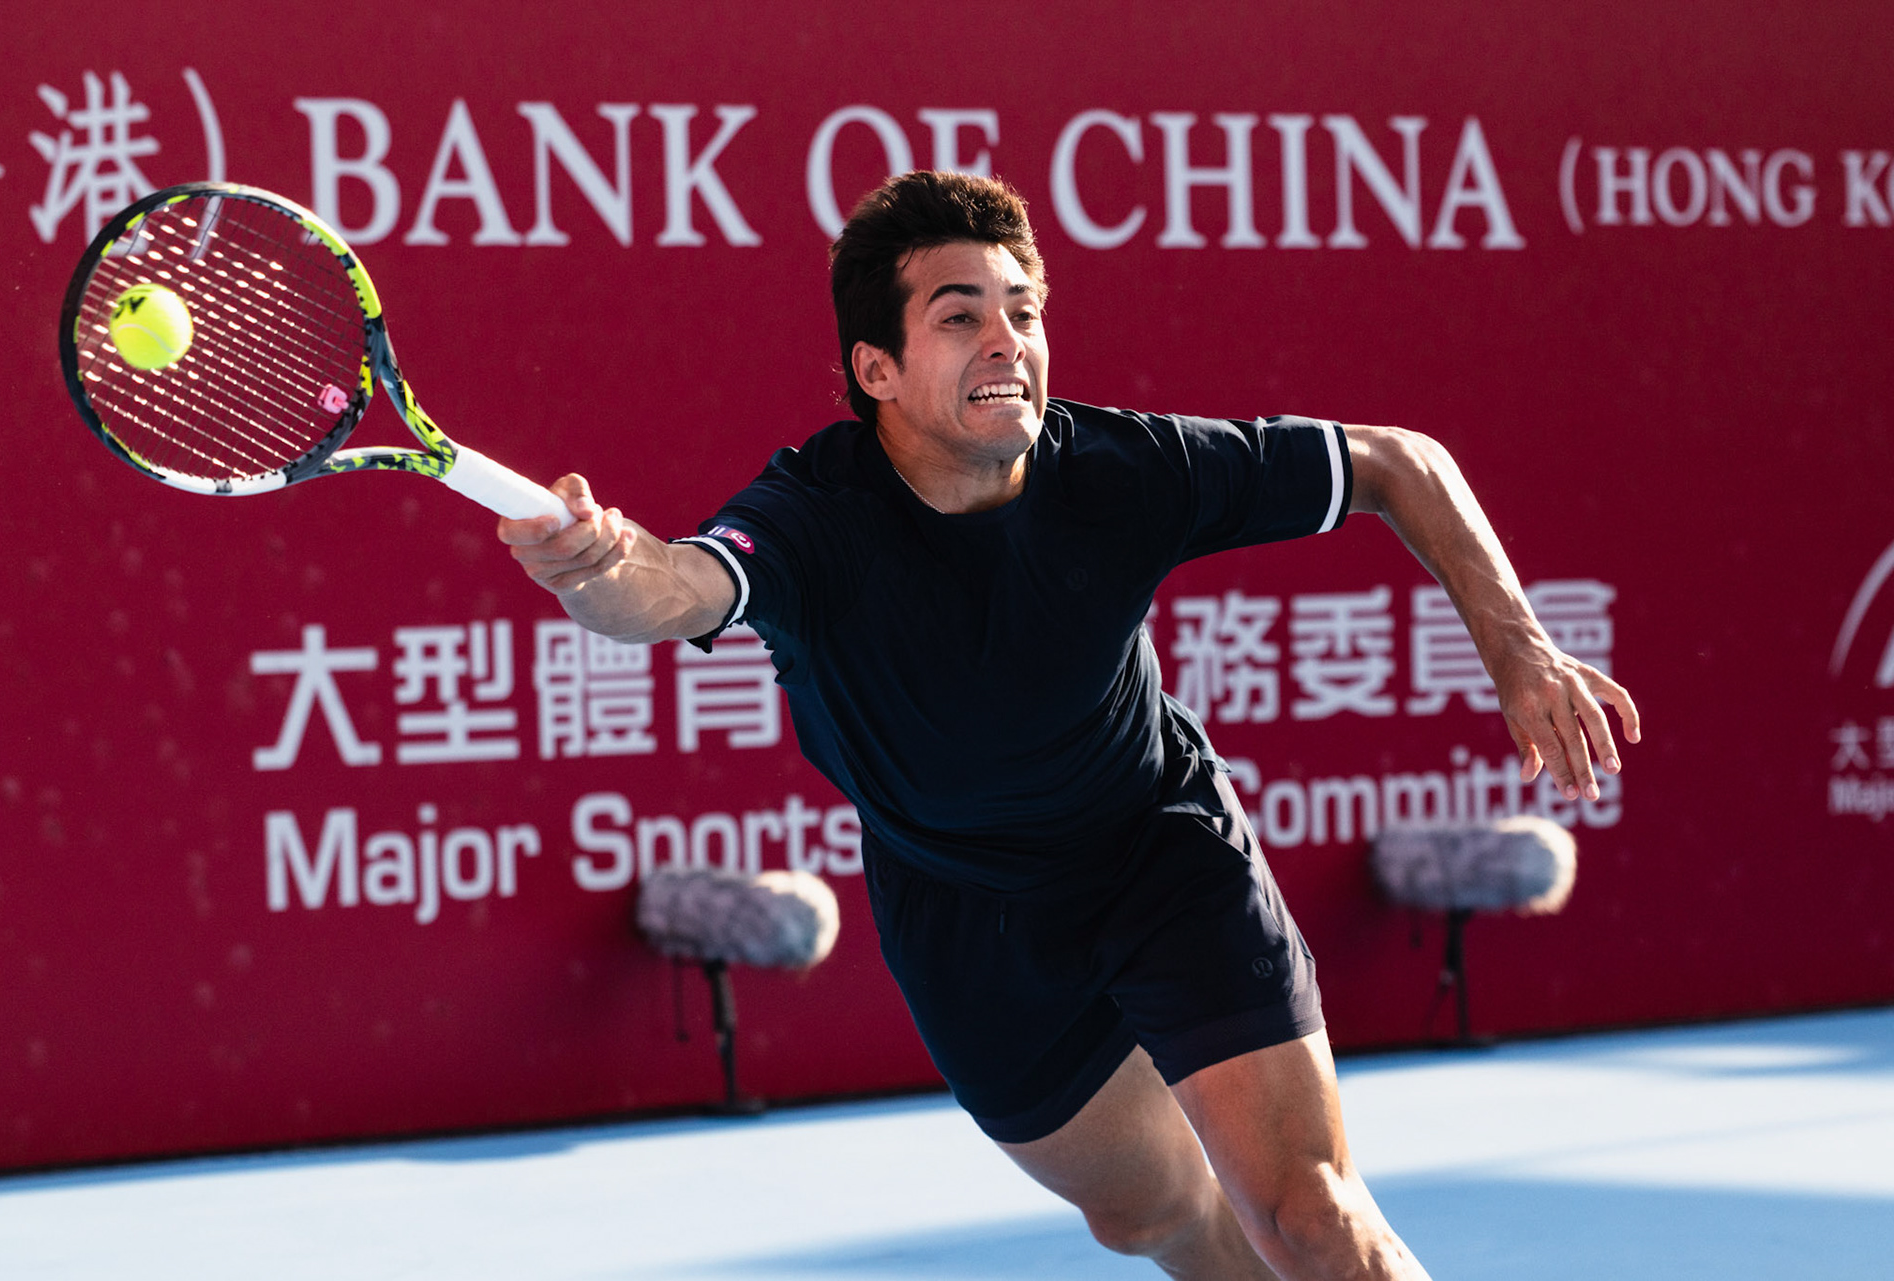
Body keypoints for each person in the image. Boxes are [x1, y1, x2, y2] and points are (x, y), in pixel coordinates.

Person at [499, 171, 1640, 1280]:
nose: (1007, 338)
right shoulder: (812, 517)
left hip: (1158, 853)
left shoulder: (1120, 468)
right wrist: (592, 565)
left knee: (1310, 1218)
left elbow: (1400, 461)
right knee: (1161, 1218)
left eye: (1024, 310)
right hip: (967, 921)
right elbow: (668, 589)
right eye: (962, 316)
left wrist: (1519, 645)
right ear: (878, 370)